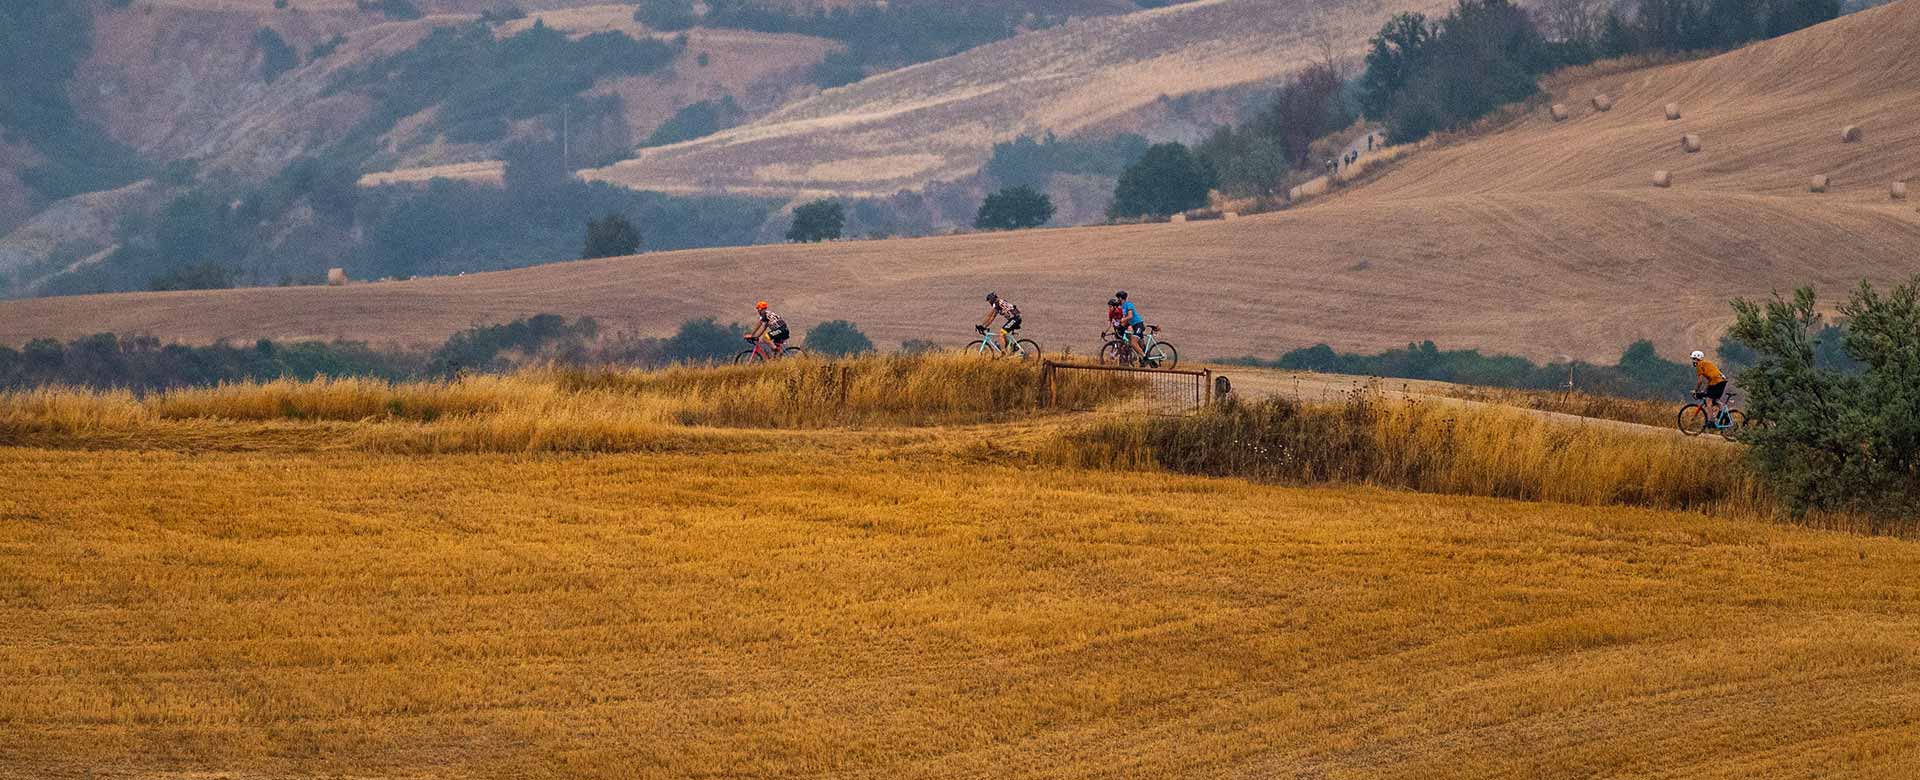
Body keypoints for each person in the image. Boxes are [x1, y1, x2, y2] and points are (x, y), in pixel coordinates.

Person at [1691, 350, 1727, 421]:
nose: (1693, 361)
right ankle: (1724, 415)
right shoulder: (1706, 363)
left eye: (1694, 359)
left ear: (1697, 359)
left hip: (1717, 382)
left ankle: (1710, 421)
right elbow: (1710, 380)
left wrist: (1696, 390)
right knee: (1715, 400)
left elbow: (1700, 381)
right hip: (1721, 381)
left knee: (1708, 400)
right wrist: (1706, 390)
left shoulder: (1700, 364)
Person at [1115, 290, 1145, 358]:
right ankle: (1147, 359)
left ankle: (1144, 357)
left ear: (1120, 298)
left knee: (1133, 342)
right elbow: (1126, 320)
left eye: (1118, 298)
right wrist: (1120, 326)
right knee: (1140, 344)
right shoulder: (1123, 307)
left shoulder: (1128, 304)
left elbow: (1130, 316)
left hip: (1138, 324)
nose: (1117, 300)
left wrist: (1123, 320)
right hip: (1134, 326)